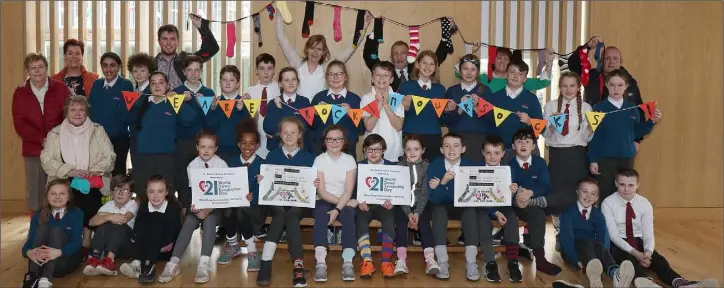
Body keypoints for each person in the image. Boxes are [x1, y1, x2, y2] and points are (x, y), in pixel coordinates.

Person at [601, 169, 719, 288]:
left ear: (638, 185)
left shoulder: (644, 203)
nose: (626, 189)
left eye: (631, 185)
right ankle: (646, 283)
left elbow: (648, 233)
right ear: (616, 183)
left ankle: (681, 283)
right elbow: (613, 235)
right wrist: (636, 254)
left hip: (637, 239)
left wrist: (648, 251)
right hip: (618, 242)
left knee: (658, 260)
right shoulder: (608, 203)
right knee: (628, 261)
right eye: (622, 185)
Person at [40, 95, 116, 261]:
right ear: (66, 112)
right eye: (73, 109)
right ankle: (66, 239)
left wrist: (93, 171)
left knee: (89, 199)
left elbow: (110, 156)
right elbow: (46, 160)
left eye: (81, 109)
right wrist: (70, 171)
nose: (77, 113)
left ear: (86, 112)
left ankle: (86, 242)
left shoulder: (98, 130)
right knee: (67, 195)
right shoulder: (55, 133)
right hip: (65, 180)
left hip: (93, 180)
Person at [158, 131, 226, 284]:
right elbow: (188, 191)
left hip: (215, 208)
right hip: (196, 206)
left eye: (210, 147)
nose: (206, 150)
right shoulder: (192, 165)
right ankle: (173, 263)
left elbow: (224, 193)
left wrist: (208, 209)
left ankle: (204, 263)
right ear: (197, 147)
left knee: (209, 221)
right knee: (188, 222)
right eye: (203, 147)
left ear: (216, 149)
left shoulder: (221, 165)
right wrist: (192, 207)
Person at [256, 117, 317, 287]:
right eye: (285, 132)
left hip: (299, 203)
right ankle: (278, 264)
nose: (289, 136)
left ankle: (269, 262)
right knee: (281, 212)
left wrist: (315, 184)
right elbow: (267, 184)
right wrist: (262, 179)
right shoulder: (272, 155)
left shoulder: (309, 158)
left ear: (299, 135)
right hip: (276, 202)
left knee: (291, 214)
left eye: (293, 132)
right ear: (279, 135)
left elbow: (311, 188)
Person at [535, 71, 593, 249]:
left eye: (572, 86)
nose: (568, 89)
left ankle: (575, 230)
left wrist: (591, 127)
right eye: (564, 85)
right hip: (558, 154)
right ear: (559, 87)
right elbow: (545, 134)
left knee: (575, 193)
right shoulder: (551, 106)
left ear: (578, 88)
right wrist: (552, 123)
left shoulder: (586, 108)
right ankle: (560, 232)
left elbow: (587, 137)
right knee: (558, 193)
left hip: (577, 154)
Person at [588, 69, 661, 200]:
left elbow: (636, 132)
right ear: (606, 85)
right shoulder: (599, 108)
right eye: (612, 85)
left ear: (626, 86)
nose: (616, 89)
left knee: (625, 194)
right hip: (606, 160)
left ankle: (623, 220)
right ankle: (606, 221)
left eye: (620, 85)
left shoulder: (632, 108)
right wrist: (593, 159)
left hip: (626, 159)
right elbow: (595, 137)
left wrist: (651, 122)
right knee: (606, 194)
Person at [553, 177, 636, 288]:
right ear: (577, 192)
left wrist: (603, 253)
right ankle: (594, 274)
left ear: (597, 197)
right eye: (585, 192)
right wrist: (576, 259)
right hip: (572, 251)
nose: (588, 196)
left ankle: (615, 273)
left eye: (593, 194)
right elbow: (566, 239)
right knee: (585, 242)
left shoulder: (598, 215)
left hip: (592, 250)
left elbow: (603, 237)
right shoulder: (567, 213)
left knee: (598, 245)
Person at [13, 53, 70, 213]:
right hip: (33, 149)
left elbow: (69, 115)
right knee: (36, 191)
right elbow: (19, 123)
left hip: (59, 148)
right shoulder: (20, 92)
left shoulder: (60, 88)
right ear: (27, 71)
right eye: (32, 67)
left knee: (59, 189)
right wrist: (41, 140)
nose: (37, 70)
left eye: (40, 66)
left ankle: (59, 227)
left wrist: (54, 139)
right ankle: (36, 228)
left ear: (46, 68)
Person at [275, 10, 372, 100]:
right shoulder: (297, 64)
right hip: (298, 113)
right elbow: (282, 39)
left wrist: (363, 27)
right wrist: (280, 11)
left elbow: (350, 49)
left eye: (319, 49)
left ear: (323, 52)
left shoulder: (326, 68)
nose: (315, 52)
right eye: (312, 48)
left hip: (319, 114)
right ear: (307, 49)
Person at [128, 72, 196, 199]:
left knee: (167, 194)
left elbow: (189, 119)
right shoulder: (143, 102)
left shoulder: (173, 103)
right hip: (143, 157)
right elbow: (127, 119)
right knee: (144, 194)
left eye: (161, 82)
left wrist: (178, 101)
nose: (157, 86)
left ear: (168, 85)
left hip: (166, 157)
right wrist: (134, 103)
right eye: (153, 83)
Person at [508, 128, 561, 276]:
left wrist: (530, 193)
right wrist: (517, 199)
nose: (523, 145)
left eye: (527, 141)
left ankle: (540, 259)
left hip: (533, 203)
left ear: (533, 146)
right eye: (519, 141)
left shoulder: (540, 162)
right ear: (513, 146)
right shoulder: (509, 165)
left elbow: (545, 185)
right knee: (510, 215)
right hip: (515, 205)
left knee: (538, 214)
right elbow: (505, 188)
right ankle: (512, 259)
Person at [425, 132, 474, 280]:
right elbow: (434, 198)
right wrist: (444, 182)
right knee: (438, 211)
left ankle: (471, 262)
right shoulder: (434, 166)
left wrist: (440, 186)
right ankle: (442, 261)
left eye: (456, 146)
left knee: (471, 212)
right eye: (447, 146)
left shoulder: (470, 166)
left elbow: (471, 197)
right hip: (441, 206)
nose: (451, 150)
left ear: (463, 149)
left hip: (464, 206)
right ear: (441, 150)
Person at [312, 125, 358, 282]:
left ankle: (347, 262)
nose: (334, 142)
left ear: (344, 141)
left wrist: (338, 209)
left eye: (338, 138)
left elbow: (348, 191)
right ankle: (320, 262)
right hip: (325, 200)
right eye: (330, 139)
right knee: (320, 214)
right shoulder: (319, 160)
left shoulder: (350, 160)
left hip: (343, 201)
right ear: (325, 142)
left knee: (349, 214)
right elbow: (322, 192)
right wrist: (346, 203)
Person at [218, 119, 266, 269]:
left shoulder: (263, 165)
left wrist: (255, 196)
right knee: (230, 209)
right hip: (233, 210)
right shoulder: (230, 163)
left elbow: (267, 193)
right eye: (243, 143)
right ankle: (233, 245)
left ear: (257, 146)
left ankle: (251, 251)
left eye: (252, 143)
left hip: (255, 210)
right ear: (238, 144)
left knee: (238, 210)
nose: (247, 147)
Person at [118, 175, 182, 284]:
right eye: (151, 192)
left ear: (166, 192)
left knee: (156, 221)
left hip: (164, 248)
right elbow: (138, 229)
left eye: (160, 191)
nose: (155, 196)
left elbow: (173, 233)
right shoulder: (144, 205)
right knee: (138, 227)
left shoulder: (173, 207)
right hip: (145, 246)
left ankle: (148, 266)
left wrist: (155, 246)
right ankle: (137, 263)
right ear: (146, 192)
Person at [21, 179, 83, 288]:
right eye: (53, 193)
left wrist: (58, 252)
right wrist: (28, 252)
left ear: (69, 197)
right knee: (42, 229)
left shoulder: (76, 213)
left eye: (62, 193)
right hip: (40, 261)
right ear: (47, 196)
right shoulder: (39, 213)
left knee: (56, 230)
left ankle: (45, 278)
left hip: (62, 260)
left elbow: (76, 242)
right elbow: (31, 240)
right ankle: (32, 277)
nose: (57, 197)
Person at [172, 55, 216, 210]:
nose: (193, 73)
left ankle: (207, 212)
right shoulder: (176, 92)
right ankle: (185, 210)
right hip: (184, 142)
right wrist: (185, 101)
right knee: (184, 177)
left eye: (197, 70)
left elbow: (211, 123)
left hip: (205, 144)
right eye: (189, 70)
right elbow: (182, 121)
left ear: (201, 71)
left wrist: (210, 107)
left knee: (206, 177)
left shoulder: (209, 92)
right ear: (184, 71)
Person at [362, 19, 454, 91]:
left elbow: (435, 59)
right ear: (391, 58)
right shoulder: (386, 71)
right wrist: (378, 27)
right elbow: (369, 55)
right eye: (395, 54)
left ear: (410, 55)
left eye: (403, 53)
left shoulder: (418, 68)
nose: (399, 57)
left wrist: (446, 34)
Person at [477, 135, 521, 283]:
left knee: (512, 217)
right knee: (483, 221)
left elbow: (511, 199)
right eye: (488, 152)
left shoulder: (509, 171)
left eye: (496, 153)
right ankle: (490, 263)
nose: (492, 156)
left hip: (504, 206)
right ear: (482, 153)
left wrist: (514, 191)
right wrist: (494, 212)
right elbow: (477, 198)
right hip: (484, 207)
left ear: (503, 154)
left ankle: (513, 262)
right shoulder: (477, 171)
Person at [399, 50, 455, 161]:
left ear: (435, 68)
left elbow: (443, 121)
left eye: (431, 64)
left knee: (431, 172)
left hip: (433, 137)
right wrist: (405, 108)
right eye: (424, 63)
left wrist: (447, 111)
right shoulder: (406, 87)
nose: (428, 67)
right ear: (417, 64)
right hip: (411, 136)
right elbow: (397, 115)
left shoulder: (440, 89)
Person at [355, 134, 397, 279]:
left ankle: (386, 261)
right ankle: (367, 261)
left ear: (383, 150)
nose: (373, 153)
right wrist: (359, 202)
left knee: (390, 217)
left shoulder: (393, 167)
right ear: (365, 150)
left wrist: (392, 201)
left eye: (377, 150)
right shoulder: (359, 166)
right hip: (364, 206)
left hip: (384, 206)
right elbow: (353, 190)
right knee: (359, 218)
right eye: (369, 149)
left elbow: (398, 190)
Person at [485, 60, 543, 164]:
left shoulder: (532, 99)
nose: (516, 76)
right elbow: (488, 125)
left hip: (526, 151)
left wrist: (530, 122)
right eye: (512, 72)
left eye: (520, 74)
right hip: (501, 152)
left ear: (525, 79)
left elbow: (542, 128)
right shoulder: (495, 97)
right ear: (506, 75)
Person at [88, 52, 135, 177]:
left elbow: (125, 114)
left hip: (118, 140)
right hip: (98, 139)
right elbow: (90, 110)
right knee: (98, 176)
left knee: (117, 176)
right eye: (105, 66)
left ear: (118, 67)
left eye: (112, 65)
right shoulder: (97, 84)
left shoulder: (126, 84)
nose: (108, 69)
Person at [83, 174, 138, 276]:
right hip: (109, 245)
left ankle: (110, 260)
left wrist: (104, 216)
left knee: (117, 226)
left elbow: (123, 219)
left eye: (125, 190)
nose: (120, 193)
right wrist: (109, 217)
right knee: (105, 224)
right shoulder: (108, 205)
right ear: (112, 192)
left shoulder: (132, 204)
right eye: (117, 189)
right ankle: (94, 258)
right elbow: (91, 222)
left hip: (126, 245)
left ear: (130, 195)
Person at [445, 54, 492, 163]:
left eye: (473, 69)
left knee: (476, 175)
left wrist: (476, 107)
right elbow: (445, 121)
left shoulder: (486, 91)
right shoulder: (452, 91)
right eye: (465, 69)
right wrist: (460, 108)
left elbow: (492, 120)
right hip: (456, 140)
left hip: (479, 139)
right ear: (460, 71)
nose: (469, 73)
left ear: (478, 72)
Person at [310, 60, 363, 158]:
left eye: (339, 74)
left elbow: (361, 129)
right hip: (321, 150)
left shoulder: (355, 99)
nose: (335, 77)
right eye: (331, 74)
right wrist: (316, 114)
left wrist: (351, 113)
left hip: (347, 150)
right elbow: (311, 127)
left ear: (345, 77)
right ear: (327, 77)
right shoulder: (319, 97)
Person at [395, 135, 430, 275]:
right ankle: (401, 260)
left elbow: (425, 193)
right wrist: (409, 212)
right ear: (404, 150)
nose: (412, 152)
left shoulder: (428, 167)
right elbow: (400, 192)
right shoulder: (399, 168)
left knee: (425, 222)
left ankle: (430, 259)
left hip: (421, 206)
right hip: (403, 206)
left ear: (423, 150)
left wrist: (417, 212)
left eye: (416, 149)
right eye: (408, 149)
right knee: (401, 222)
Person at [155, 15, 219, 89]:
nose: (168, 42)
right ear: (159, 42)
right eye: (165, 39)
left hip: (187, 100)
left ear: (178, 41)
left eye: (172, 39)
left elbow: (212, 48)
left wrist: (201, 27)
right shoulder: (151, 64)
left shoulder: (187, 60)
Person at [454, 47, 555, 94]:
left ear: (510, 63)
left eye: (506, 59)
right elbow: (459, 73)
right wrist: (472, 53)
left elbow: (544, 82)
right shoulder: (484, 78)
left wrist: (549, 62)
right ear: (493, 60)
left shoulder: (516, 80)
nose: (502, 61)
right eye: (499, 58)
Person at [361, 61, 405, 162]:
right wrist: (378, 104)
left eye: (386, 75)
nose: (381, 78)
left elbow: (398, 126)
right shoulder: (366, 98)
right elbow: (369, 126)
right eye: (378, 75)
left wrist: (386, 105)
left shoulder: (397, 98)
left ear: (392, 79)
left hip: (394, 153)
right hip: (372, 153)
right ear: (372, 79)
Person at [206, 65, 250, 163]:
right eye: (224, 79)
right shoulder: (214, 103)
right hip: (218, 151)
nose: (227, 83)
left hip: (239, 151)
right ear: (220, 83)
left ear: (238, 84)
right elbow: (210, 127)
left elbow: (247, 128)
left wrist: (241, 110)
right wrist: (212, 109)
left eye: (232, 80)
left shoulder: (244, 102)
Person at [263, 67, 313, 152]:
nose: (291, 83)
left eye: (293, 79)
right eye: (286, 80)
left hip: (300, 150)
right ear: (280, 84)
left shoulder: (305, 102)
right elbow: (269, 128)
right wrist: (279, 109)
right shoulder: (273, 103)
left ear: (298, 82)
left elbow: (306, 127)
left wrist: (278, 132)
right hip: (277, 150)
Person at [243, 53, 279, 159]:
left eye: (269, 68)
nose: (266, 72)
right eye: (262, 68)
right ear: (256, 71)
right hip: (256, 138)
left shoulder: (280, 89)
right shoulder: (250, 91)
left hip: (274, 139)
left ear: (274, 70)